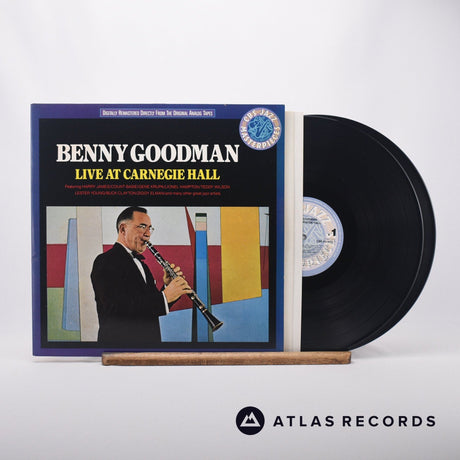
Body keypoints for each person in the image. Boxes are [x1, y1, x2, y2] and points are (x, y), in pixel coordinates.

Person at [90, 206, 192, 347]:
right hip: (119, 347)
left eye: (150, 228)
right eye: (142, 227)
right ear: (123, 229)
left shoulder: (142, 266)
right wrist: (164, 297)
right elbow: (115, 309)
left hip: (148, 347)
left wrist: (167, 287)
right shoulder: (105, 261)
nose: (148, 234)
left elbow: (151, 308)